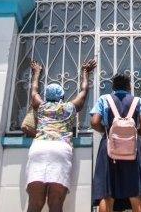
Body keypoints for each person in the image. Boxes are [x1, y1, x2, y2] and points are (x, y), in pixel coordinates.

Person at [24, 59, 96, 212]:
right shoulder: (69, 108)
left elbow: (34, 91)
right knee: (56, 204)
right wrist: (85, 72)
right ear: (62, 96)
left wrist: (36, 73)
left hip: (39, 148)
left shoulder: (41, 107)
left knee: (34, 204)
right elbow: (83, 92)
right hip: (60, 149)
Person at [90, 72, 141, 212]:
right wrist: (136, 133)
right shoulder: (138, 101)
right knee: (135, 191)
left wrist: (107, 132)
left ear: (113, 86)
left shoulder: (104, 99)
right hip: (132, 149)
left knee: (107, 193)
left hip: (109, 148)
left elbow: (94, 122)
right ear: (129, 86)